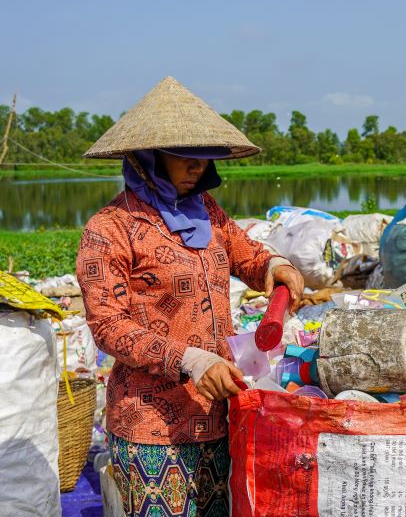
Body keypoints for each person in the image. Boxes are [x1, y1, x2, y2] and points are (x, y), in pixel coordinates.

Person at [76, 76, 304, 516]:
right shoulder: (109, 229)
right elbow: (108, 327)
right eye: (186, 157)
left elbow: (249, 255)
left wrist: (277, 266)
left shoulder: (208, 212)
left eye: (205, 158)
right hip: (152, 426)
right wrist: (192, 359)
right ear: (148, 158)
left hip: (221, 412)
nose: (199, 167)